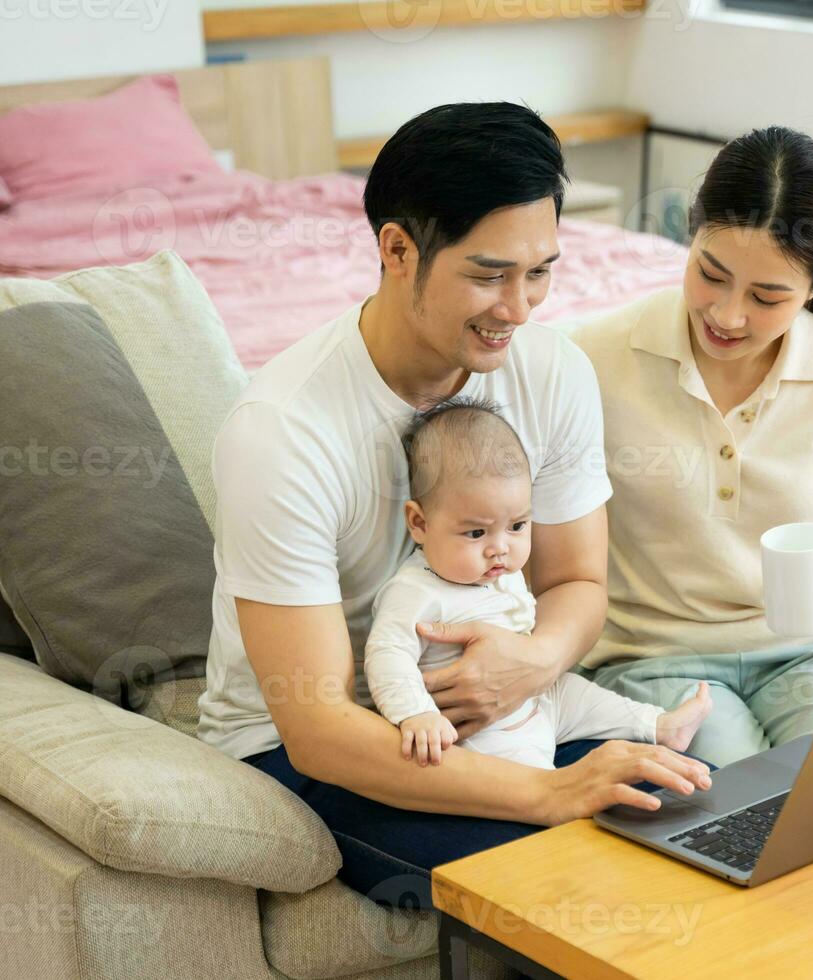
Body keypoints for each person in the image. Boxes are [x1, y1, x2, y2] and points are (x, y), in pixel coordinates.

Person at [196, 102, 710, 906]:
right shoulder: (283, 432)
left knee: (688, 808)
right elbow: (319, 728)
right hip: (311, 749)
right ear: (397, 250)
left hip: (501, 711)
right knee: (559, 880)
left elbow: (577, 584)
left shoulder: (552, 371)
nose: (520, 307)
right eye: (487, 273)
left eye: (540, 271)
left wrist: (533, 664)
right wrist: (551, 794)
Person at [574, 126, 813, 767]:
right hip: (652, 655)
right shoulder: (595, 358)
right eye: (710, 274)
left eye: (767, 296)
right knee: (732, 803)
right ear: (689, 237)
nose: (726, 315)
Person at [364, 396, 711, 769]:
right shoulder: (416, 591)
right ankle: (547, 785)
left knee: (581, 695)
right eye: (476, 532)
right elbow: (387, 655)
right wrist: (416, 714)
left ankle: (657, 725)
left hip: (539, 696)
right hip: (486, 730)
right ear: (420, 524)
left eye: (517, 526)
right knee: (521, 761)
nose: (499, 549)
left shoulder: (502, 571)